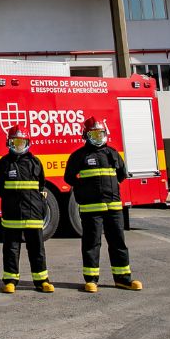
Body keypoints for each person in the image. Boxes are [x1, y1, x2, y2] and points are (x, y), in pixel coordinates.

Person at [63, 117, 143, 293]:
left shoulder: (112, 154)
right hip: (91, 210)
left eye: (101, 133)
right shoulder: (79, 156)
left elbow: (121, 174)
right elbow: (69, 178)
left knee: (118, 242)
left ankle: (123, 278)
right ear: (86, 135)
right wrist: (85, 190)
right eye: (94, 134)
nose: (98, 137)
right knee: (92, 244)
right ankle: (91, 280)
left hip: (113, 208)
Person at [0, 126, 54, 294]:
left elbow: (41, 185)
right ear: (8, 143)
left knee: (37, 248)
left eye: (21, 142)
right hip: (12, 213)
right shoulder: (3, 164)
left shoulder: (35, 162)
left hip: (33, 213)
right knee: (11, 248)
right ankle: (10, 280)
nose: (18, 145)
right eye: (15, 142)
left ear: (28, 142)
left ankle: (42, 281)